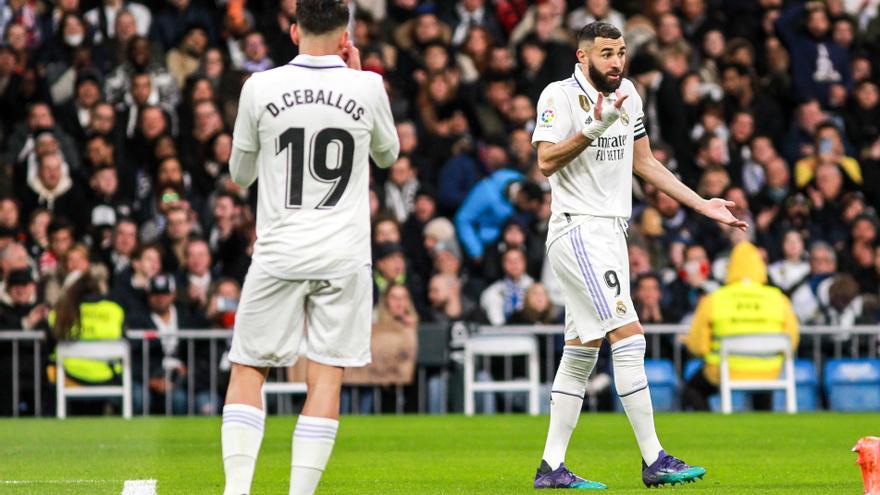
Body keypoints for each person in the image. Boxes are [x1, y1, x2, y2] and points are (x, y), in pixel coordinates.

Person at [530, 22, 747, 489]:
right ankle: (654, 458)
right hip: (579, 228)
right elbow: (545, 161)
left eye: (621, 52)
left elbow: (644, 162)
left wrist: (702, 204)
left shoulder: (628, 92)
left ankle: (551, 467)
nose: (616, 62)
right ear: (582, 56)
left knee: (581, 351)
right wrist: (593, 128)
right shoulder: (558, 96)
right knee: (629, 335)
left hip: (611, 232)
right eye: (607, 53)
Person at [220, 0, 399, 493]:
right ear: (347, 36)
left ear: (293, 30)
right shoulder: (367, 86)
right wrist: (360, 77)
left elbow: (239, 175)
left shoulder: (259, 86)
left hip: (279, 250)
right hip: (343, 255)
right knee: (325, 377)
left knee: (249, 369)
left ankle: (237, 490)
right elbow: (389, 155)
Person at [684, 242, 800, 411]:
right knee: (762, 380)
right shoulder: (778, 299)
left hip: (724, 370)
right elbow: (792, 340)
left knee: (692, 389)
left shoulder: (714, 299)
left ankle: (711, 427)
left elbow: (697, 344)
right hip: (768, 370)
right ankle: (763, 424)